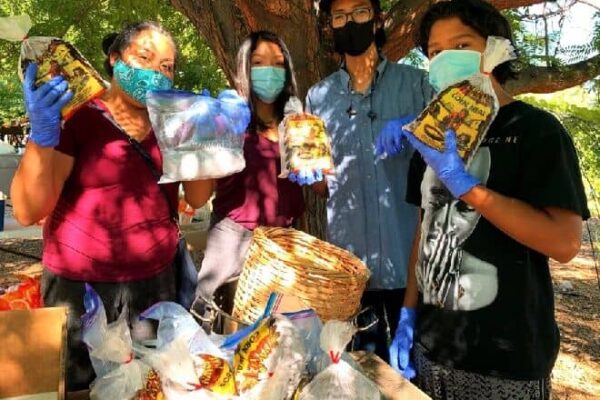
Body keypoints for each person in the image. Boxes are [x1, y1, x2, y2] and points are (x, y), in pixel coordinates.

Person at [386, 1, 590, 398]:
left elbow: (565, 243)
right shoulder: (430, 137)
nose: (446, 59)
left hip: (506, 359)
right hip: (432, 347)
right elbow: (423, 232)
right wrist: (408, 313)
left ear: (495, 49)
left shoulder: (535, 131)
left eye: (461, 45)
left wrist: (469, 190)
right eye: (435, 52)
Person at [11, 21, 214, 392]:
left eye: (167, 66)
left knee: (150, 385)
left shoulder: (170, 122)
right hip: (80, 293)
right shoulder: (78, 117)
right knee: (79, 389)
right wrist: (42, 136)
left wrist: (201, 138)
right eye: (144, 58)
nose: (156, 72)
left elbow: (199, 198)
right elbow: (27, 211)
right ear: (115, 60)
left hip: (155, 287)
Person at [305, 0, 433, 362]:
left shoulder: (417, 84)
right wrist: (309, 172)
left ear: (377, 20)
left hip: (409, 261)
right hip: (351, 271)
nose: (350, 22)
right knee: (362, 369)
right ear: (330, 27)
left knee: (415, 370)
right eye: (339, 16)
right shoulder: (318, 97)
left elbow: (449, 145)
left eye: (359, 12)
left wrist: (412, 126)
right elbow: (322, 187)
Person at [192, 31, 305, 330]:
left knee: (275, 334)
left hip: (283, 242)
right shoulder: (228, 119)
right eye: (258, 62)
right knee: (216, 322)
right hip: (232, 241)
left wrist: (313, 159)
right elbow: (198, 197)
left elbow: (321, 187)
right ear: (244, 67)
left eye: (278, 63)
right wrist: (205, 139)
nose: (269, 71)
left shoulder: (296, 122)